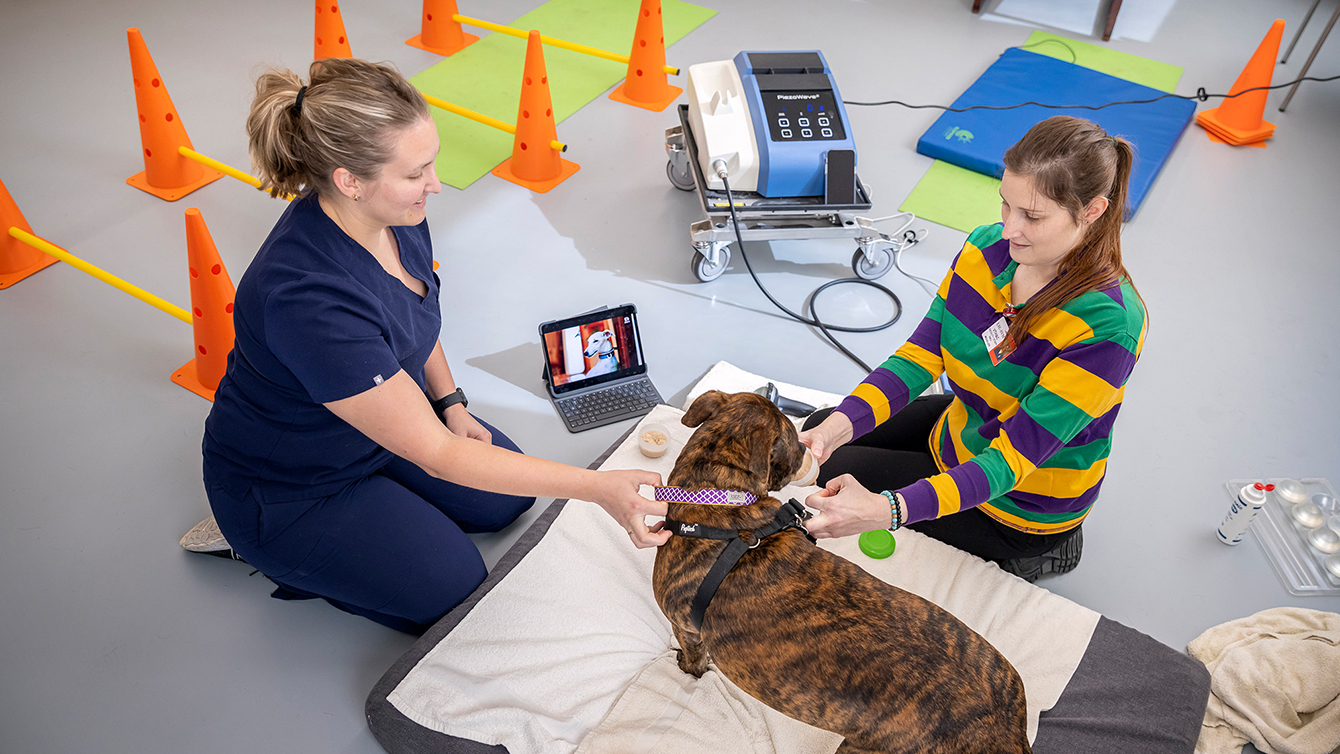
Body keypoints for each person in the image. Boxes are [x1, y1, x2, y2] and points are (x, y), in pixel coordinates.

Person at [194, 58, 669, 634]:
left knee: (504, 501)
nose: (436, 184)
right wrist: (598, 489)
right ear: (349, 179)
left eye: (432, 163)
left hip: (382, 425)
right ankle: (270, 554)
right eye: (417, 172)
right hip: (294, 487)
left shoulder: (395, 214)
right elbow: (438, 455)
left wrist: (451, 404)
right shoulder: (306, 300)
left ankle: (381, 511)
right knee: (454, 591)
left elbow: (416, 321)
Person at [798, 116, 1146, 582]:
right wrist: (840, 426)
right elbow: (919, 356)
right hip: (966, 425)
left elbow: (1011, 460)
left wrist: (886, 511)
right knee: (823, 432)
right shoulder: (985, 248)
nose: (1008, 230)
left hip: (1018, 500)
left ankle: (1043, 552)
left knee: (838, 480)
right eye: (1006, 205)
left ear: (1093, 211)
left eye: (1033, 217)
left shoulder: (1109, 327)